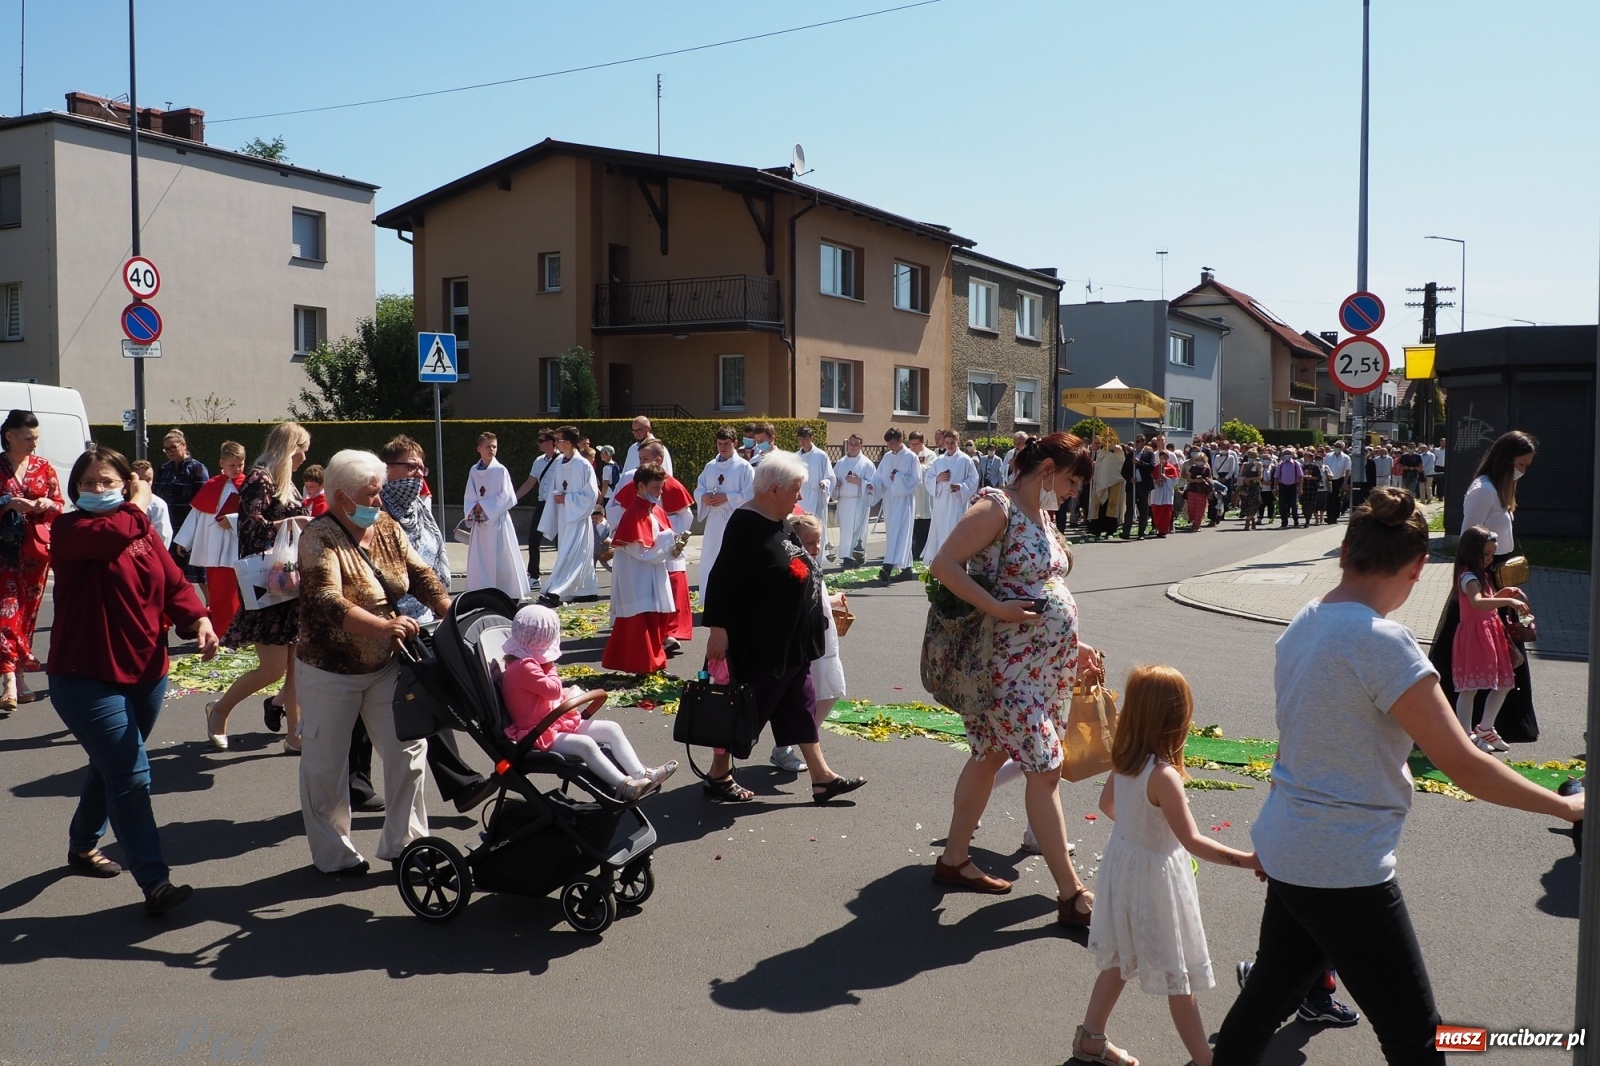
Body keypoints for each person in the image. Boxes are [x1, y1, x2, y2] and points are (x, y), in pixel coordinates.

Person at [1212, 487, 1584, 1065]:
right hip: (1343, 867)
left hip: (1292, 845)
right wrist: (1568, 809)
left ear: (1343, 552)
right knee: (1418, 1036)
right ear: (1416, 570)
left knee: (1263, 1002)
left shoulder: (1306, 621)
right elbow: (1464, 764)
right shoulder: (1382, 643)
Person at [927, 433, 1098, 927]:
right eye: (1069, 481)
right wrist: (998, 608)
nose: (1072, 493)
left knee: (988, 756)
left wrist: (1071, 643)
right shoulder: (996, 506)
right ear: (1046, 468)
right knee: (1045, 769)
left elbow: (1046, 586)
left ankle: (953, 859)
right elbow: (943, 564)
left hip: (1038, 667)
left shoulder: (1040, 512)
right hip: (1004, 668)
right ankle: (1072, 894)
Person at [50, 444, 219, 912]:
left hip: (146, 670)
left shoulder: (141, 532)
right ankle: (155, 882)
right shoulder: (70, 529)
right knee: (130, 773)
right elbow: (112, 535)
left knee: (114, 765)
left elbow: (174, 583)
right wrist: (140, 504)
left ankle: (83, 842)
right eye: (88, 484)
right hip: (83, 675)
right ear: (76, 490)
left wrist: (198, 619)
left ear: (124, 482)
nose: (98, 490)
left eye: (107, 482)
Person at [1071, 665, 1261, 1066]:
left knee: (1121, 958)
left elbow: (1107, 806)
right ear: (1176, 720)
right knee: (1181, 977)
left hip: (1123, 868)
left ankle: (1091, 1037)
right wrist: (1249, 861)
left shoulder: (1125, 761)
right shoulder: (1164, 776)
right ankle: (1205, 1061)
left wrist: (1138, 832)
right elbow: (1192, 841)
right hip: (1155, 881)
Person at [293, 449, 451, 874]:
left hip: (385, 665)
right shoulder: (318, 537)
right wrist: (383, 626)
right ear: (341, 497)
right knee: (326, 766)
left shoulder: (383, 525)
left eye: (379, 492)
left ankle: (406, 842)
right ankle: (334, 855)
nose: (379, 502)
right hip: (330, 669)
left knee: (408, 750)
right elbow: (327, 600)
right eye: (370, 494)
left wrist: (446, 608)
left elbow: (418, 572)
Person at [700, 451, 866, 805]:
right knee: (748, 708)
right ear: (773, 489)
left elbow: (798, 565)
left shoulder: (781, 519)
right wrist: (717, 629)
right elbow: (722, 579)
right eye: (795, 489)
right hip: (761, 641)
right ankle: (718, 774)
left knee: (800, 705)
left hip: (793, 641)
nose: (800, 497)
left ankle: (822, 778)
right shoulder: (746, 523)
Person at [204, 422, 311, 751]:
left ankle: (295, 736)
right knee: (273, 668)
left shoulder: (284, 482)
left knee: (296, 668)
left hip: (289, 582)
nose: (305, 457)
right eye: (302, 448)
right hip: (268, 585)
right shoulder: (259, 478)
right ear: (290, 447)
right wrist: (292, 523)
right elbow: (250, 529)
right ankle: (219, 709)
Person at [1430, 430, 1540, 743]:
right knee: (1471, 656)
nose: (1523, 470)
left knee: (1505, 655)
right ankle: (1454, 726)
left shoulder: (1502, 489)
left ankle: (1490, 725)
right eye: (1521, 463)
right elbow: (1470, 537)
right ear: (1506, 460)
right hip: (1482, 578)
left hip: (1496, 576)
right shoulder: (1484, 490)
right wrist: (1481, 573)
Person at [501, 604, 676, 801]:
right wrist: (550, 666)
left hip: (551, 722)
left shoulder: (524, 662)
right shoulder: (525, 666)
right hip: (537, 732)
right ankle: (623, 785)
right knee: (585, 744)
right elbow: (554, 690)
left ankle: (642, 774)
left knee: (611, 728)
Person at [0, 409, 62, 708]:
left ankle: (19, 675)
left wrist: (44, 503)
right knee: (6, 613)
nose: (33, 444)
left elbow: (59, 505)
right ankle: (11, 680)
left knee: (26, 615)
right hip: (3, 550)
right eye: (27, 438)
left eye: (36, 438)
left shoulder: (44, 467)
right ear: (9, 436)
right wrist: (8, 503)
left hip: (35, 552)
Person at [602, 463, 680, 675]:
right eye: (656, 487)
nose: (660, 491)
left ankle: (657, 663)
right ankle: (644, 667)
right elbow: (643, 553)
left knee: (657, 619)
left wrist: (675, 546)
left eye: (661, 487)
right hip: (637, 577)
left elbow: (662, 547)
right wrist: (667, 542)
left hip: (654, 574)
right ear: (641, 487)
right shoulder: (633, 514)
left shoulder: (657, 511)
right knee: (641, 622)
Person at [1448, 526, 1519, 754]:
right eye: (1485, 554)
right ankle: (1465, 733)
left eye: (1491, 555)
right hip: (1475, 636)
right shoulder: (1468, 576)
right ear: (1471, 552)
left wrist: (1500, 596)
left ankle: (1485, 727)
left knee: (1505, 682)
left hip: (1489, 632)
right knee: (1470, 687)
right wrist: (1507, 603)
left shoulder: (1480, 575)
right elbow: (1477, 603)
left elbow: (1483, 602)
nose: (1489, 559)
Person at [171, 442, 246, 642]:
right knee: (218, 597)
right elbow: (197, 514)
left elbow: (254, 516)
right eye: (232, 465)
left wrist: (231, 520)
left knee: (235, 597)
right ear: (222, 463)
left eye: (240, 464)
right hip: (213, 551)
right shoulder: (212, 485)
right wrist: (183, 541)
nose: (237, 469)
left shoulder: (248, 486)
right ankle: (220, 634)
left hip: (235, 550)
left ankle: (232, 636)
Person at [787, 514, 848, 736]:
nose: (816, 547)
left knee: (827, 691)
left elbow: (819, 600)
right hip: (812, 643)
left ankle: (804, 737)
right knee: (814, 693)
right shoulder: (797, 566)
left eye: (818, 541)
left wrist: (832, 599)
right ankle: (797, 740)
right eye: (810, 543)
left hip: (823, 641)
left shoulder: (811, 564)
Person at [536, 426, 600, 607]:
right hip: (565, 516)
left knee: (573, 554)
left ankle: (558, 590)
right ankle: (584, 590)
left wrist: (568, 499)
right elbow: (555, 490)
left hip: (578, 518)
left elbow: (591, 494)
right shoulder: (559, 463)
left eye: (559, 440)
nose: (556, 444)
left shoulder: (583, 465)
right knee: (568, 552)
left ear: (569, 443)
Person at [463, 432, 529, 600]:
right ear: (479, 449)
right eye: (488, 446)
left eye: (494, 446)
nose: (491, 450)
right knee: (481, 559)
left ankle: (507, 592)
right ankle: (481, 592)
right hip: (480, 524)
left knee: (502, 557)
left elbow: (508, 496)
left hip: (498, 521)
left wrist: (484, 506)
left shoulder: (500, 470)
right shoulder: (473, 470)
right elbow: (469, 494)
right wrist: (473, 509)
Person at [695, 426, 754, 586]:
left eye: (726, 443)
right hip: (714, 519)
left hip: (735, 519)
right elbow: (699, 488)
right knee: (711, 556)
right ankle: (710, 596)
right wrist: (704, 497)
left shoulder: (744, 467)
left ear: (735, 443)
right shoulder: (710, 466)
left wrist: (727, 498)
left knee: (734, 556)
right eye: (719, 443)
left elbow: (750, 495)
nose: (722, 447)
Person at [153, 429, 210, 583]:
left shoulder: (197, 469)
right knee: (171, 572)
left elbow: (203, 501)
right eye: (166, 449)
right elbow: (156, 495)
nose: (170, 451)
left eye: (174, 447)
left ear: (183, 445)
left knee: (199, 574)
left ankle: (210, 606)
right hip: (168, 525)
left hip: (189, 526)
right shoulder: (164, 469)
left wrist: (192, 529)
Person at [923, 430, 978, 562]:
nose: (950, 445)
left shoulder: (965, 460)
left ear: (958, 442)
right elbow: (928, 478)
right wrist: (938, 479)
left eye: (952, 443)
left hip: (957, 501)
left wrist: (961, 486)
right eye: (947, 443)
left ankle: (955, 559)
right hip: (941, 500)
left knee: (954, 528)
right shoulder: (939, 460)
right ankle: (940, 559)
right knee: (941, 529)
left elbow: (974, 479)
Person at [873, 428, 920, 582]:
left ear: (901, 440)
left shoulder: (911, 457)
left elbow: (916, 480)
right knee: (893, 532)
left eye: (892, 443)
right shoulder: (887, 457)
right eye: (888, 444)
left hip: (904, 500)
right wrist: (872, 485)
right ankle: (906, 569)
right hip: (889, 499)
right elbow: (878, 476)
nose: (890, 447)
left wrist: (899, 477)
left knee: (902, 532)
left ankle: (888, 566)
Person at [514, 430, 558, 591]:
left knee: (559, 541)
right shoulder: (538, 461)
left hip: (557, 505)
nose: (538, 443)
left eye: (541, 440)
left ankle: (560, 574)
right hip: (542, 503)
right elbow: (529, 482)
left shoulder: (562, 460)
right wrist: (513, 498)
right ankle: (534, 575)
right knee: (533, 539)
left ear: (550, 442)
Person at [832, 435, 876, 567]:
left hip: (859, 501)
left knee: (857, 530)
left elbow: (874, 483)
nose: (852, 446)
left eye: (856, 444)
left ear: (861, 445)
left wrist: (859, 482)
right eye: (850, 444)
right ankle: (848, 556)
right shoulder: (841, 463)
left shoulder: (867, 463)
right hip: (845, 501)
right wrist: (836, 485)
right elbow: (833, 479)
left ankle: (853, 557)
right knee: (846, 531)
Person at [794, 426, 834, 560]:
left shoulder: (821, 455)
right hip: (801, 497)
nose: (802, 442)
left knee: (815, 529)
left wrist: (825, 483)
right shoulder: (796, 457)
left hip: (816, 496)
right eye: (800, 439)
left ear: (811, 438)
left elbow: (830, 477)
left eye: (805, 439)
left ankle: (817, 561)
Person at [1087, 436, 1124, 539]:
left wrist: (1112, 451)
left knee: (1111, 508)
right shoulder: (1102, 453)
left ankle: (1110, 530)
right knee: (1100, 508)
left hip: (1114, 483)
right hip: (1101, 484)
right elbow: (1098, 466)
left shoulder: (1118, 453)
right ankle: (1097, 529)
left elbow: (1120, 465)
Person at [907, 430, 936, 560]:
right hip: (911, 494)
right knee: (911, 526)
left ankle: (922, 551)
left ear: (922, 442)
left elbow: (928, 471)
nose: (913, 447)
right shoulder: (907, 454)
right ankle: (912, 551)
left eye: (916, 444)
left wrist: (914, 467)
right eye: (911, 444)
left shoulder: (930, 455)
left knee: (924, 525)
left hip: (924, 494)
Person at [130, 461, 172, 546]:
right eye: (141, 479)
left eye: (148, 479)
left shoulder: (158, 504)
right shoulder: (120, 500)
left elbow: (163, 535)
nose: (145, 483)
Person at [1149, 444, 1177, 538]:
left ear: (1168, 457)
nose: (1163, 458)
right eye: (1161, 456)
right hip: (1157, 492)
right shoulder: (1155, 467)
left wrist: (1166, 478)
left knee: (1165, 511)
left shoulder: (1171, 468)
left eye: (1165, 456)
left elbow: (1175, 481)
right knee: (1156, 510)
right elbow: (1151, 478)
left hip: (1166, 492)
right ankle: (1157, 527)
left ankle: (1164, 530)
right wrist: (1156, 481)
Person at [1182, 448, 1212, 531]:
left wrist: (1205, 480)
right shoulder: (1193, 468)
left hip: (1202, 491)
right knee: (1191, 508)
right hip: (1192, 490)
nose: (1200, 462)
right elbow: (1188, 479)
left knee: (1200, 509)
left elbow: (1210, 479)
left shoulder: (1207, 469)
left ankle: (1197, 525)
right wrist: (1196, 480)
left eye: (1201, 460)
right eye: (1198, 460)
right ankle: (1193, 521)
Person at [1323, 441, 1351, 522]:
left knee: (1337, 499)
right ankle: (1329, 516)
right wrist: (1327, 475)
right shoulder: (1328, 456)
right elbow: (1324, 467)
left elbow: (1348, 470)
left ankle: (1334, 516)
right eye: (1335, 446)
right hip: (1329, 479)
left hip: (1339, 479)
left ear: (1342, 448)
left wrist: (1345, 482)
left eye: (1338, 447)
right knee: (1329, 498)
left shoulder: (1346, 457)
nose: (1336, 448)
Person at [1237, 449, 1264, 531]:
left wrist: (1250, 479)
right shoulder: (1244, 464)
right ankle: (1252, 519)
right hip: (1245, 488)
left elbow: (1260, 477)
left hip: (1255, 487)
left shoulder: (1258, 464)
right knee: (1246, 505)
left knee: (1253, 505)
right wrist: (1243, 480)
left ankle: (1247, 523)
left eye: (1253, 456)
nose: (1251, 458)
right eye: (1249, 456)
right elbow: (1240, 475)